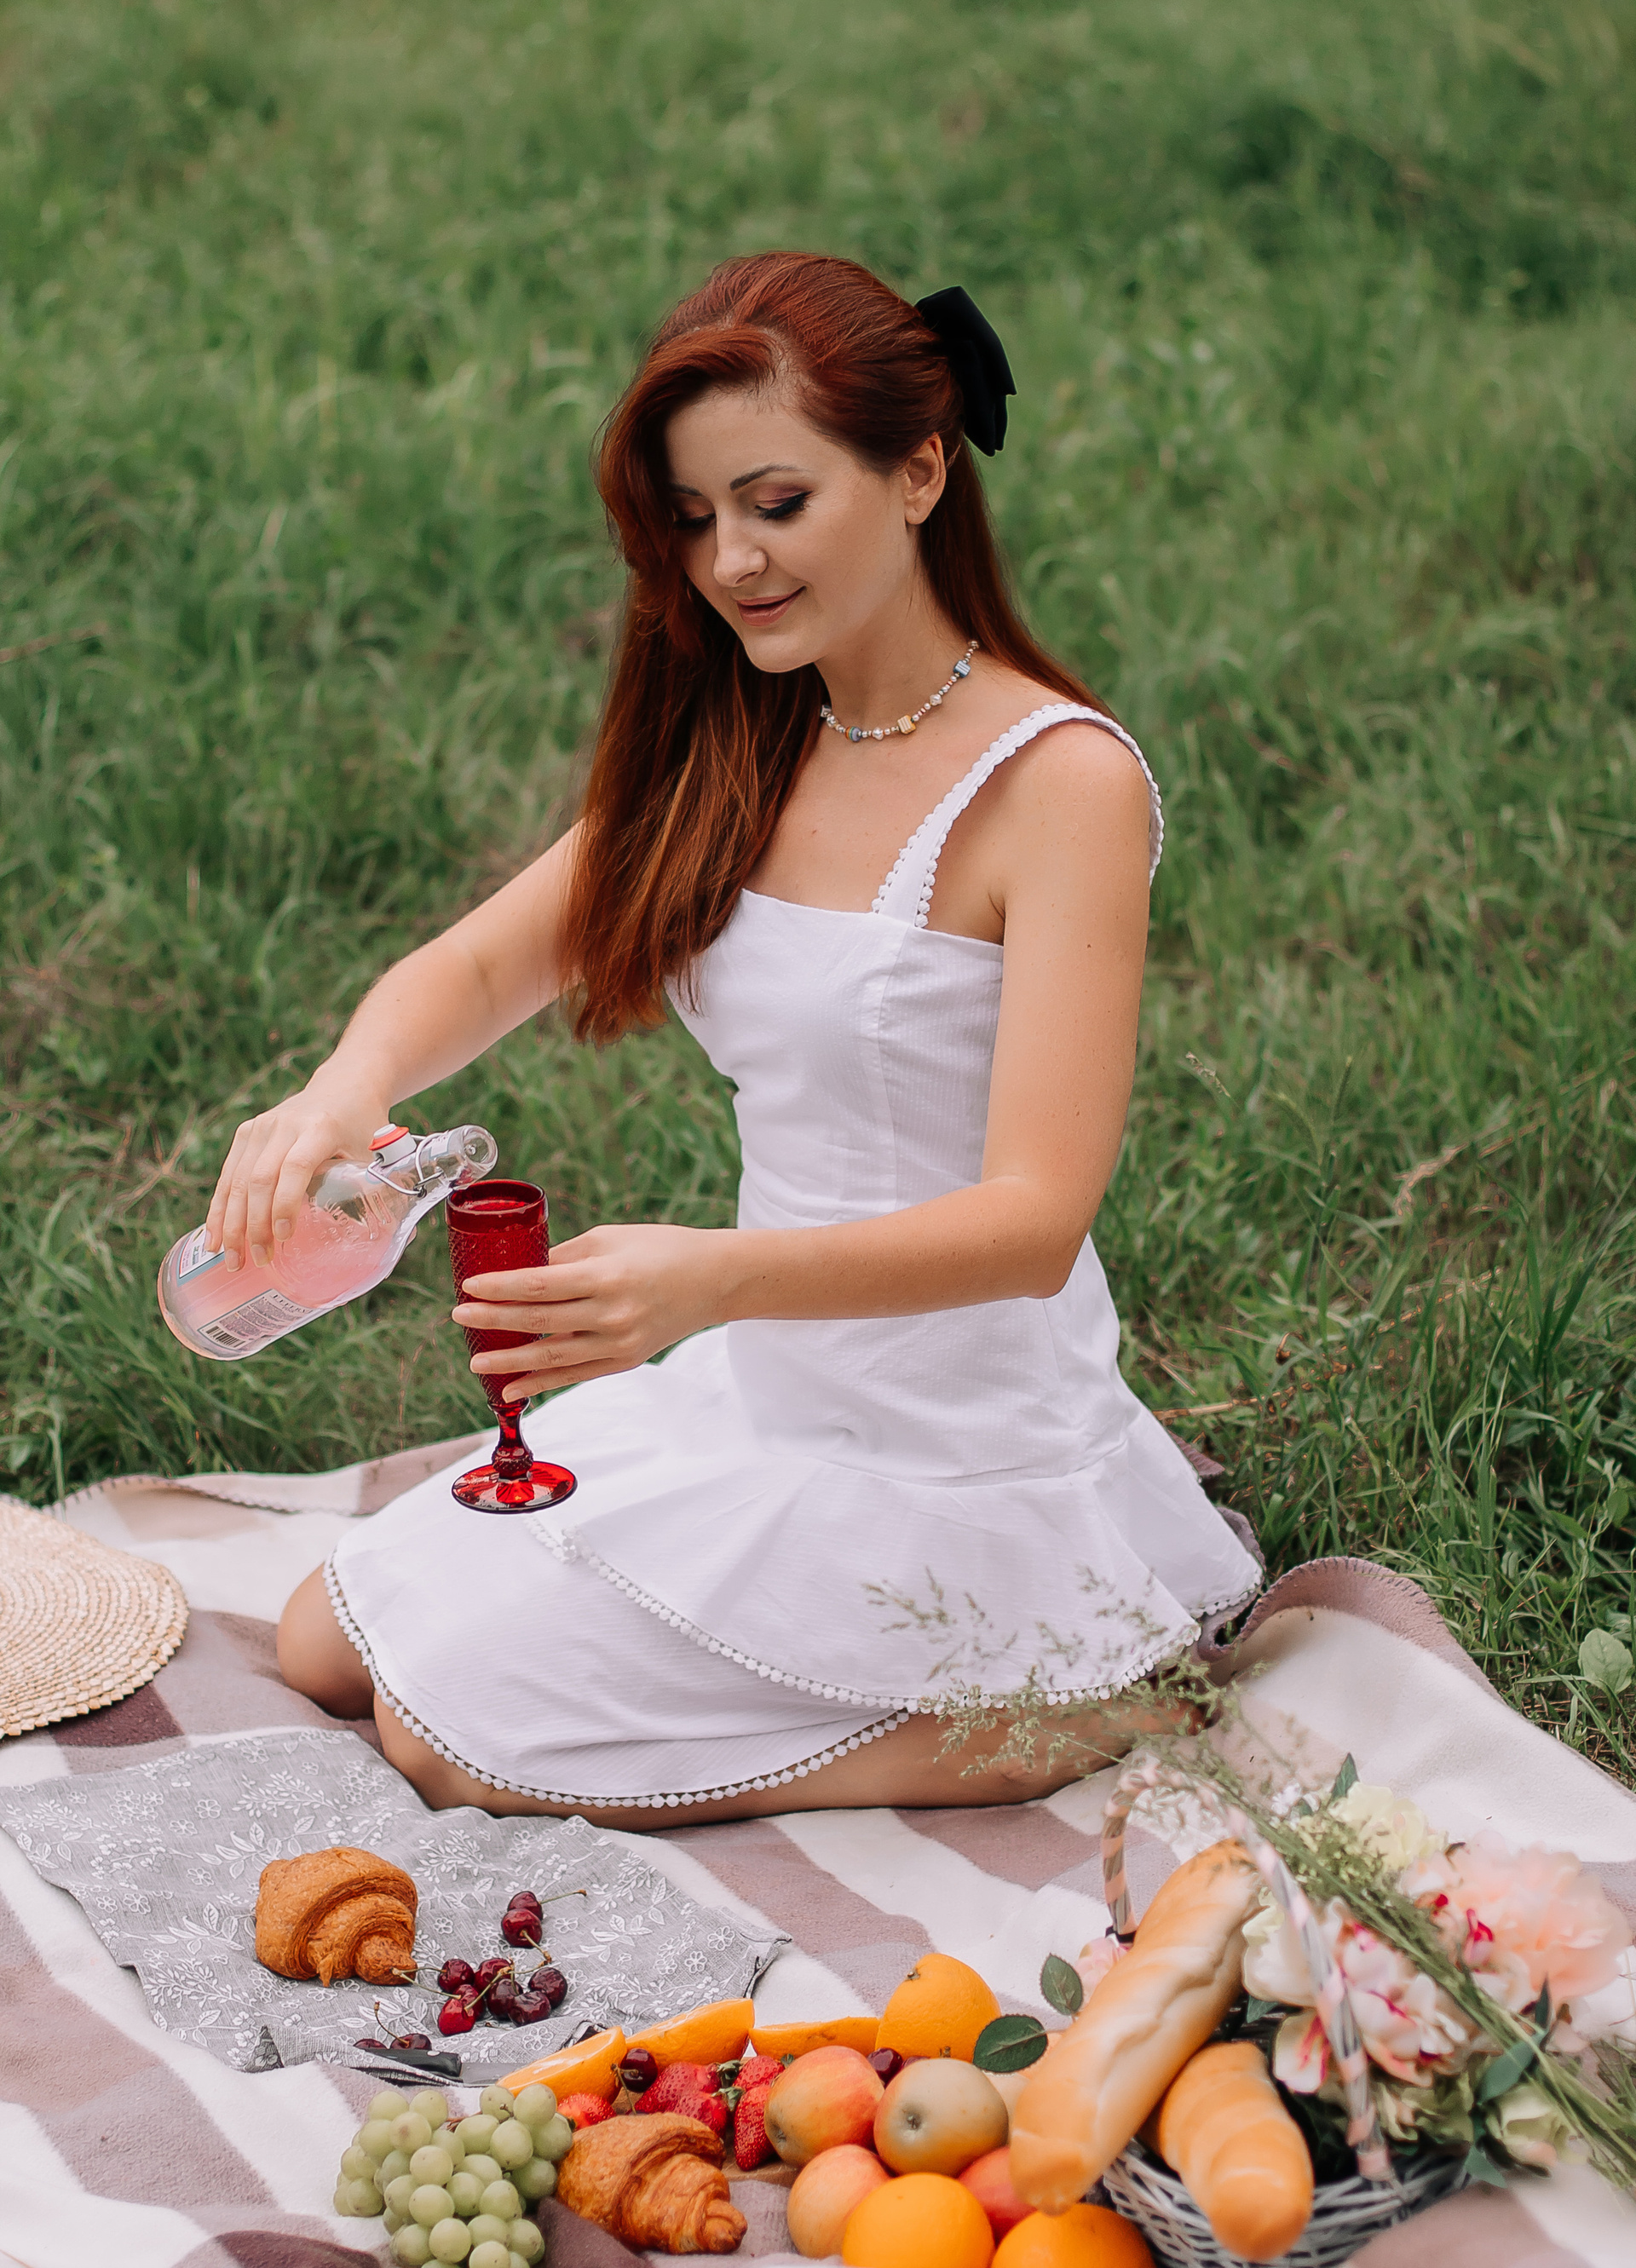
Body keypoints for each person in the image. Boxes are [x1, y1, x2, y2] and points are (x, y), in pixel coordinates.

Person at [210, 252, 1259, 1827]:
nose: (732, 561)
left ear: (919, 473)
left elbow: (1036, 1221)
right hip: (764, 1390)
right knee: (321, 1641)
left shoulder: (1060, 785)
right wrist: (338, 1090)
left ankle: (1079, 1702)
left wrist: (709, 1280)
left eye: (777, 503)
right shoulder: (754, 732)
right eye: (696, 519)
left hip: (956, 1440)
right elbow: (488, 960)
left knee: (451, 1749)